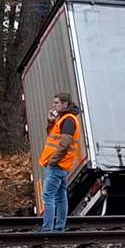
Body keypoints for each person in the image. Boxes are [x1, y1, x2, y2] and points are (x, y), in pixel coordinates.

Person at [39, 92, 82, 232]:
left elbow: (65, 143)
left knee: (48, 196)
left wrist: (53, 161)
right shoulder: (64, 118)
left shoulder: (68, 120)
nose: (54, 105)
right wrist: (51, 121)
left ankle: (47, 230)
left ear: (65, 104)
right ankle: (58, 229)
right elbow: (53, 136)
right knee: (60, 197)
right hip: (62, 165)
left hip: (57, 165)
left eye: (57, 102)